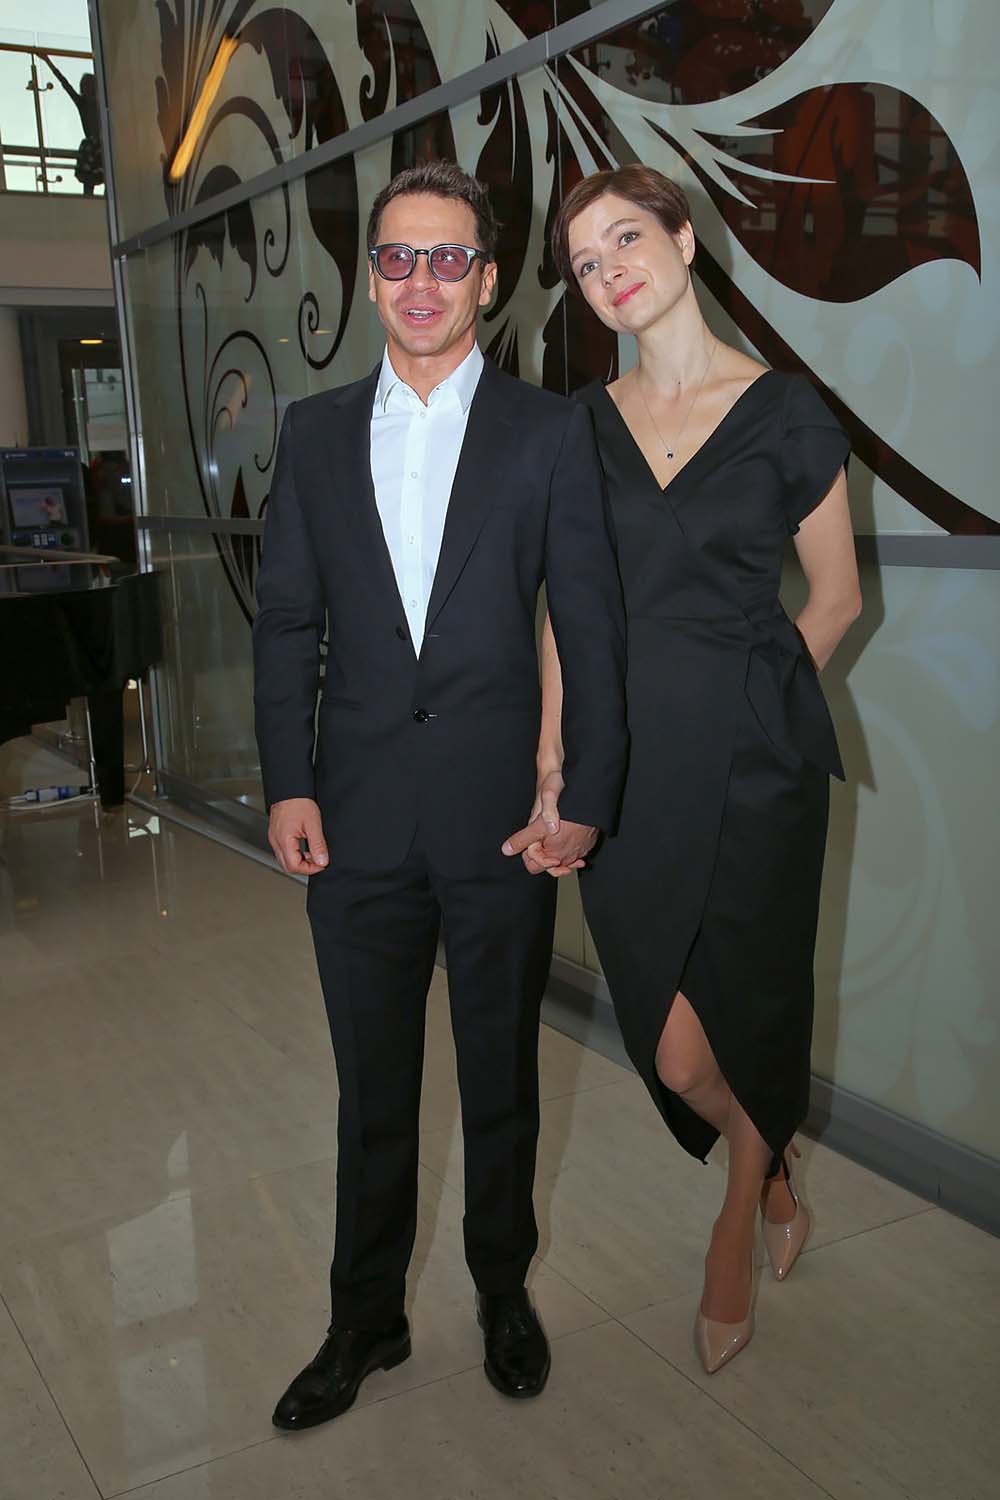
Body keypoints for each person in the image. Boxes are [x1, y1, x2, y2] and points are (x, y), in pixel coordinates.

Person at [252, 161, 627, 1430]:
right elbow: (287, 623)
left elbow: (589, 623)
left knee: (501, 1075)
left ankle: (501, 1291)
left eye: (447, 258)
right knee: (372, 1091)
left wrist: (584, 790)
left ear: (485, 276)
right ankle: (364, 1318)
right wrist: (288, 782)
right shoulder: (312, 435)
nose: (422, 281)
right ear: (372, 279)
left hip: (501, 823)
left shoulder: (549, 431)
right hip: (354, 818)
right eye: (398, 258)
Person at [511, 164, 861, 1375]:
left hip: (756, 768)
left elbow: (834, 597)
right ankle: (772, 1170)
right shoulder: (578, 429)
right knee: (673, 1048)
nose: (608, 270)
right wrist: (553, 756)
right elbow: (567, 612)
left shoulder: (787, 411)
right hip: (626, 772)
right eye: (585, 262)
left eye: (625, 238)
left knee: (749, 1005)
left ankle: (734, 1221)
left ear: (682, 238)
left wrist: (753, 708)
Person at [38, 55, 103, 195]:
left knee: (90, 177)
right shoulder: (92, 103)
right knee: (98, 174)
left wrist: (48, 61)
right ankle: (93, 200)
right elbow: (65, 84)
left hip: (94, 145)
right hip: (98, 144)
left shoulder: (89, 103)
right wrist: (48, 62)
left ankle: (90, 200)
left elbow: (65, 84)